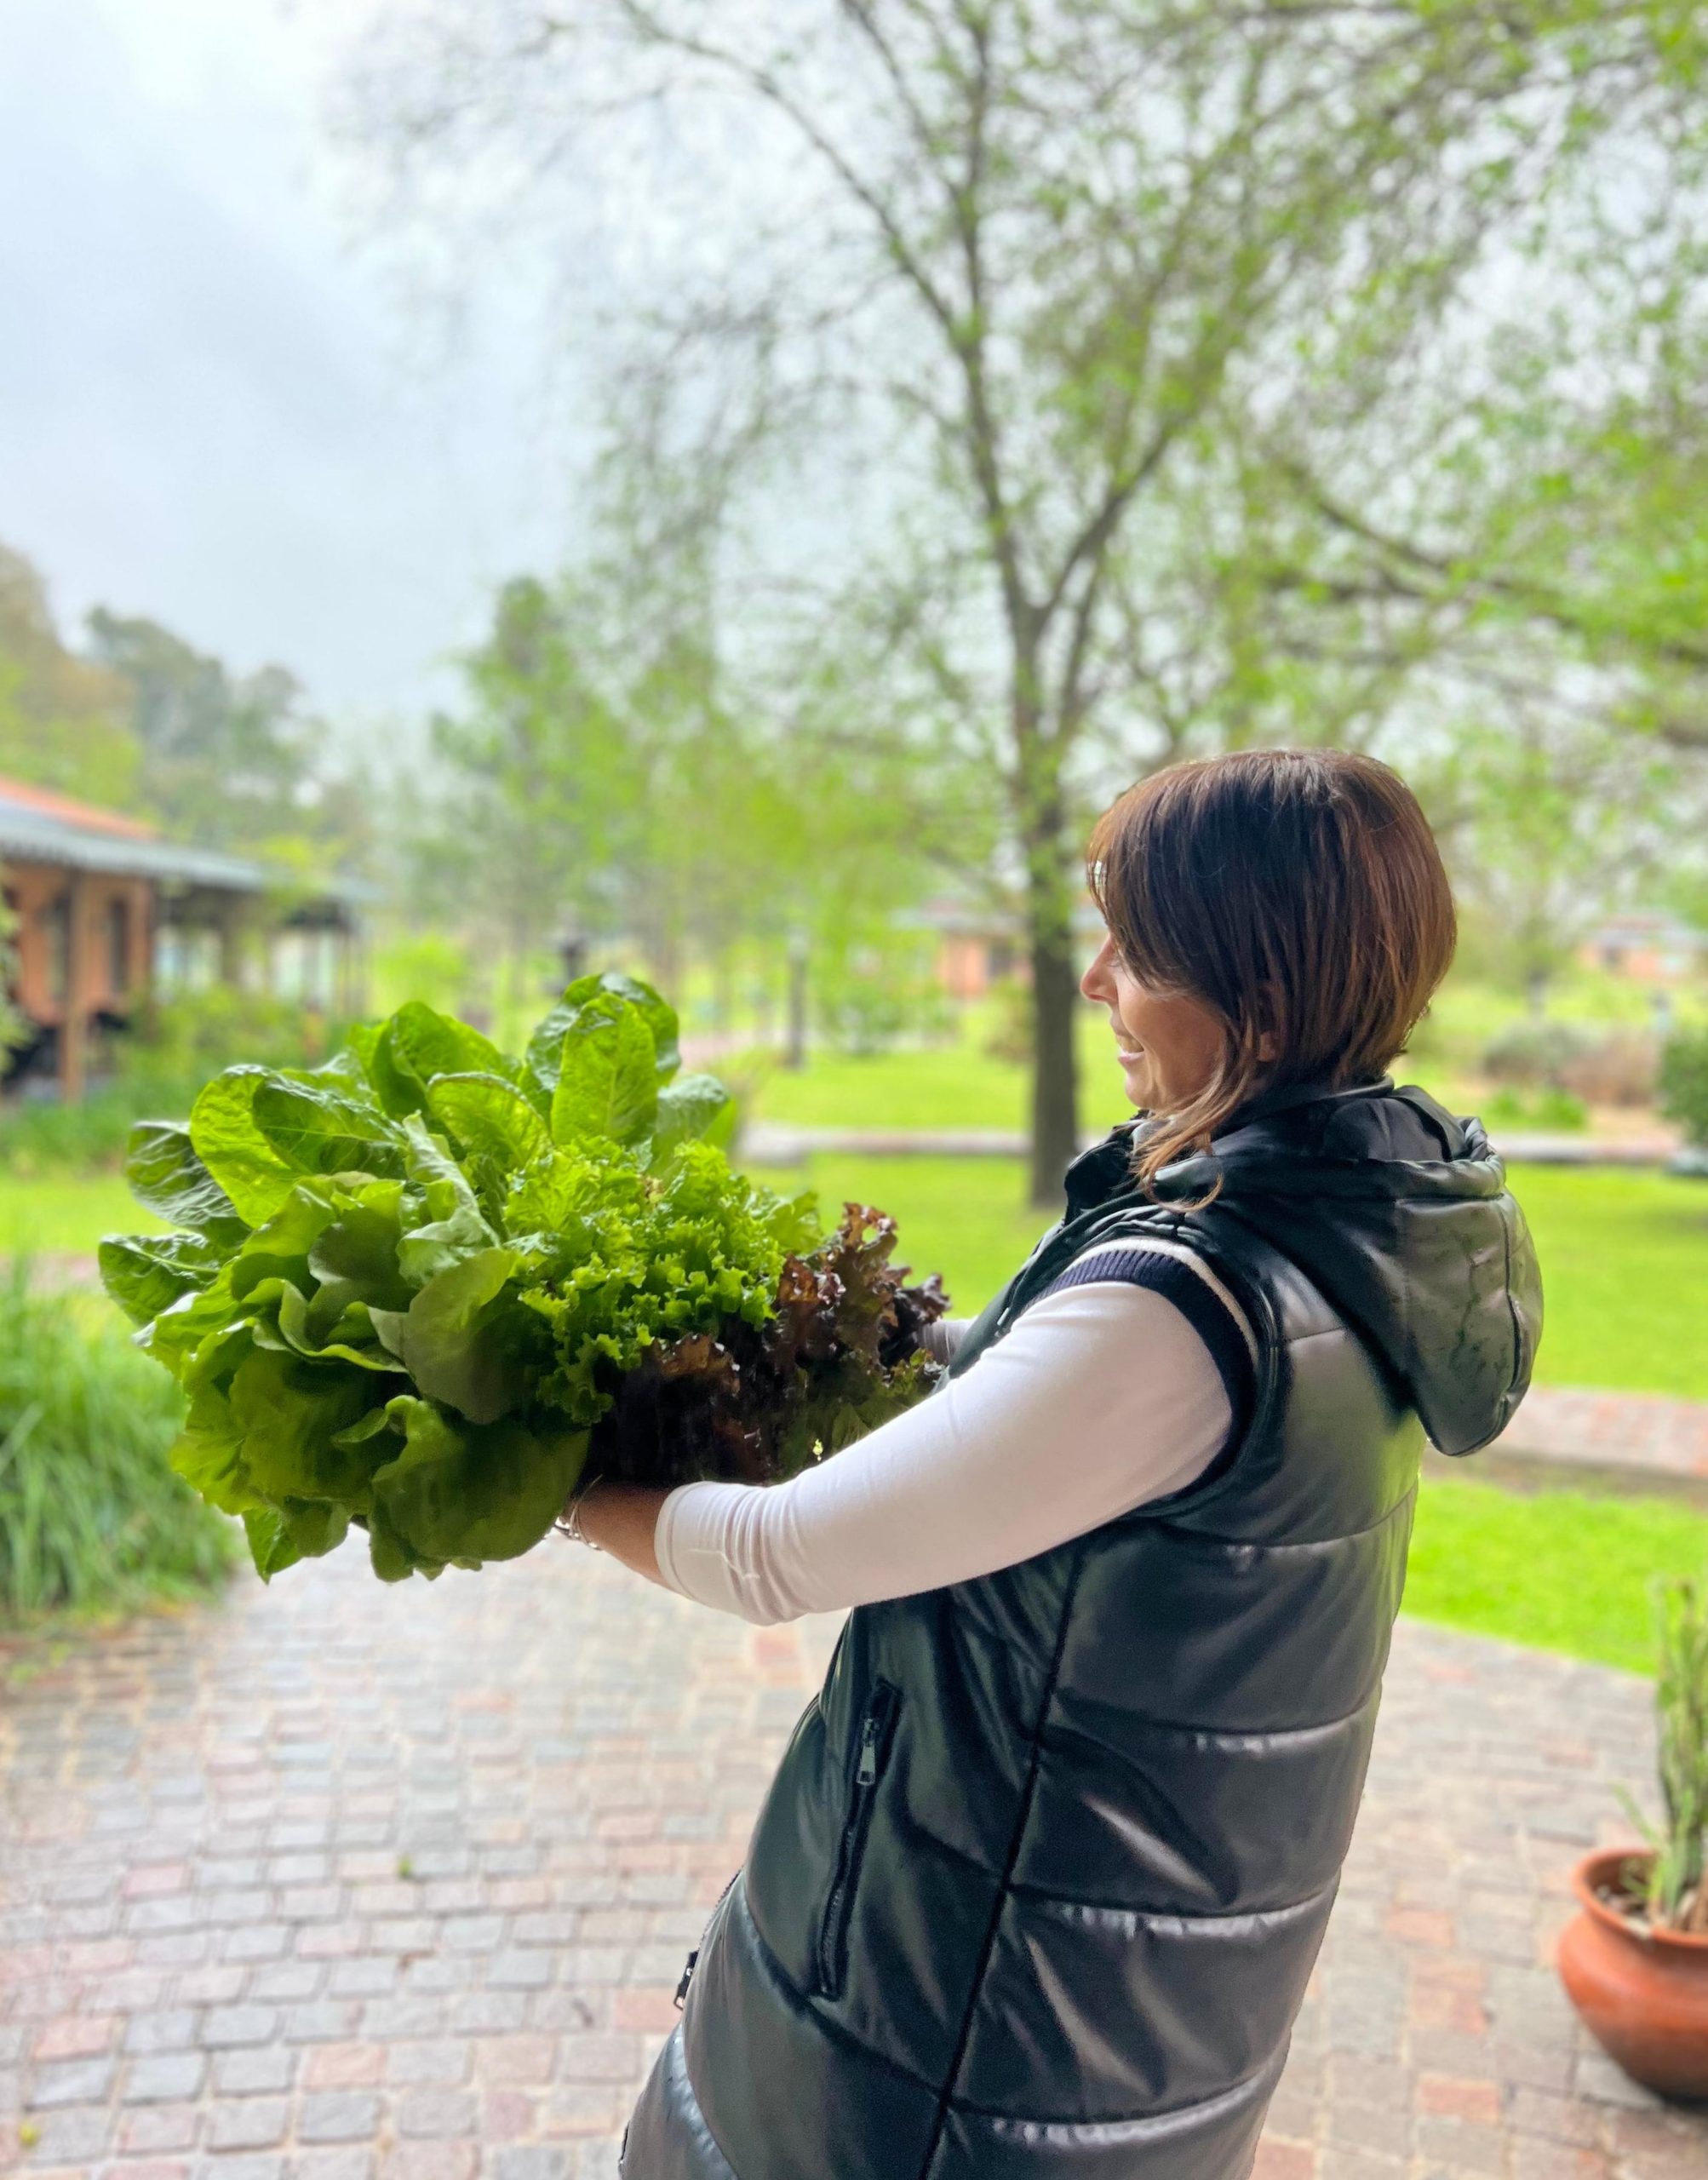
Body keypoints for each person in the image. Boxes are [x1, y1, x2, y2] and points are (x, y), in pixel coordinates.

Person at [567, 748, 1543, 2180]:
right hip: (1122, 2003)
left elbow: (768, 1556)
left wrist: (562, 1476)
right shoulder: (1359, 1228)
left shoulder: (1187, 1307)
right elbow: (1027, 1397)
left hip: (971, 2042)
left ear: (1258, 991)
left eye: (1136, 953)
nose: (1093, 982)